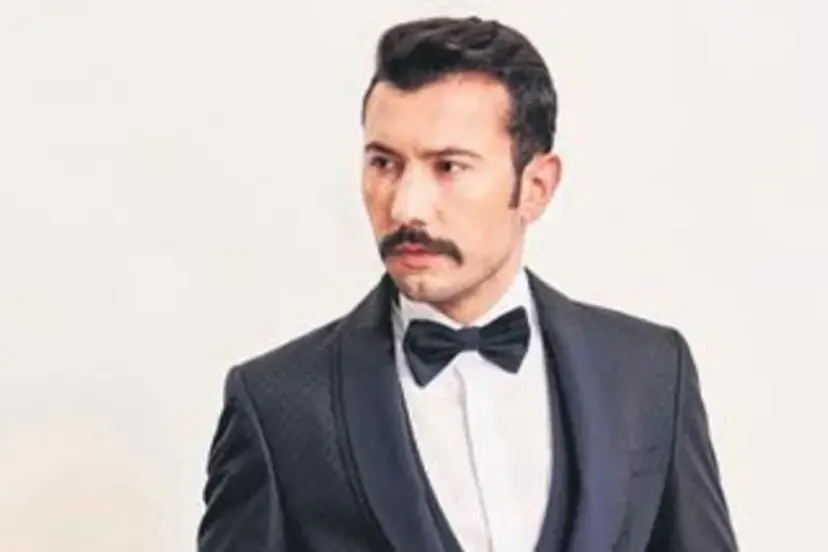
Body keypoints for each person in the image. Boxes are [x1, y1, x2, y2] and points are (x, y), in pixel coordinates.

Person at [197, 15, 738, 552]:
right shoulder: (277, 406)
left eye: (449, 167)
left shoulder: (650, 373)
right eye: (384, 163)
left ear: (536, 186)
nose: (405, 207)